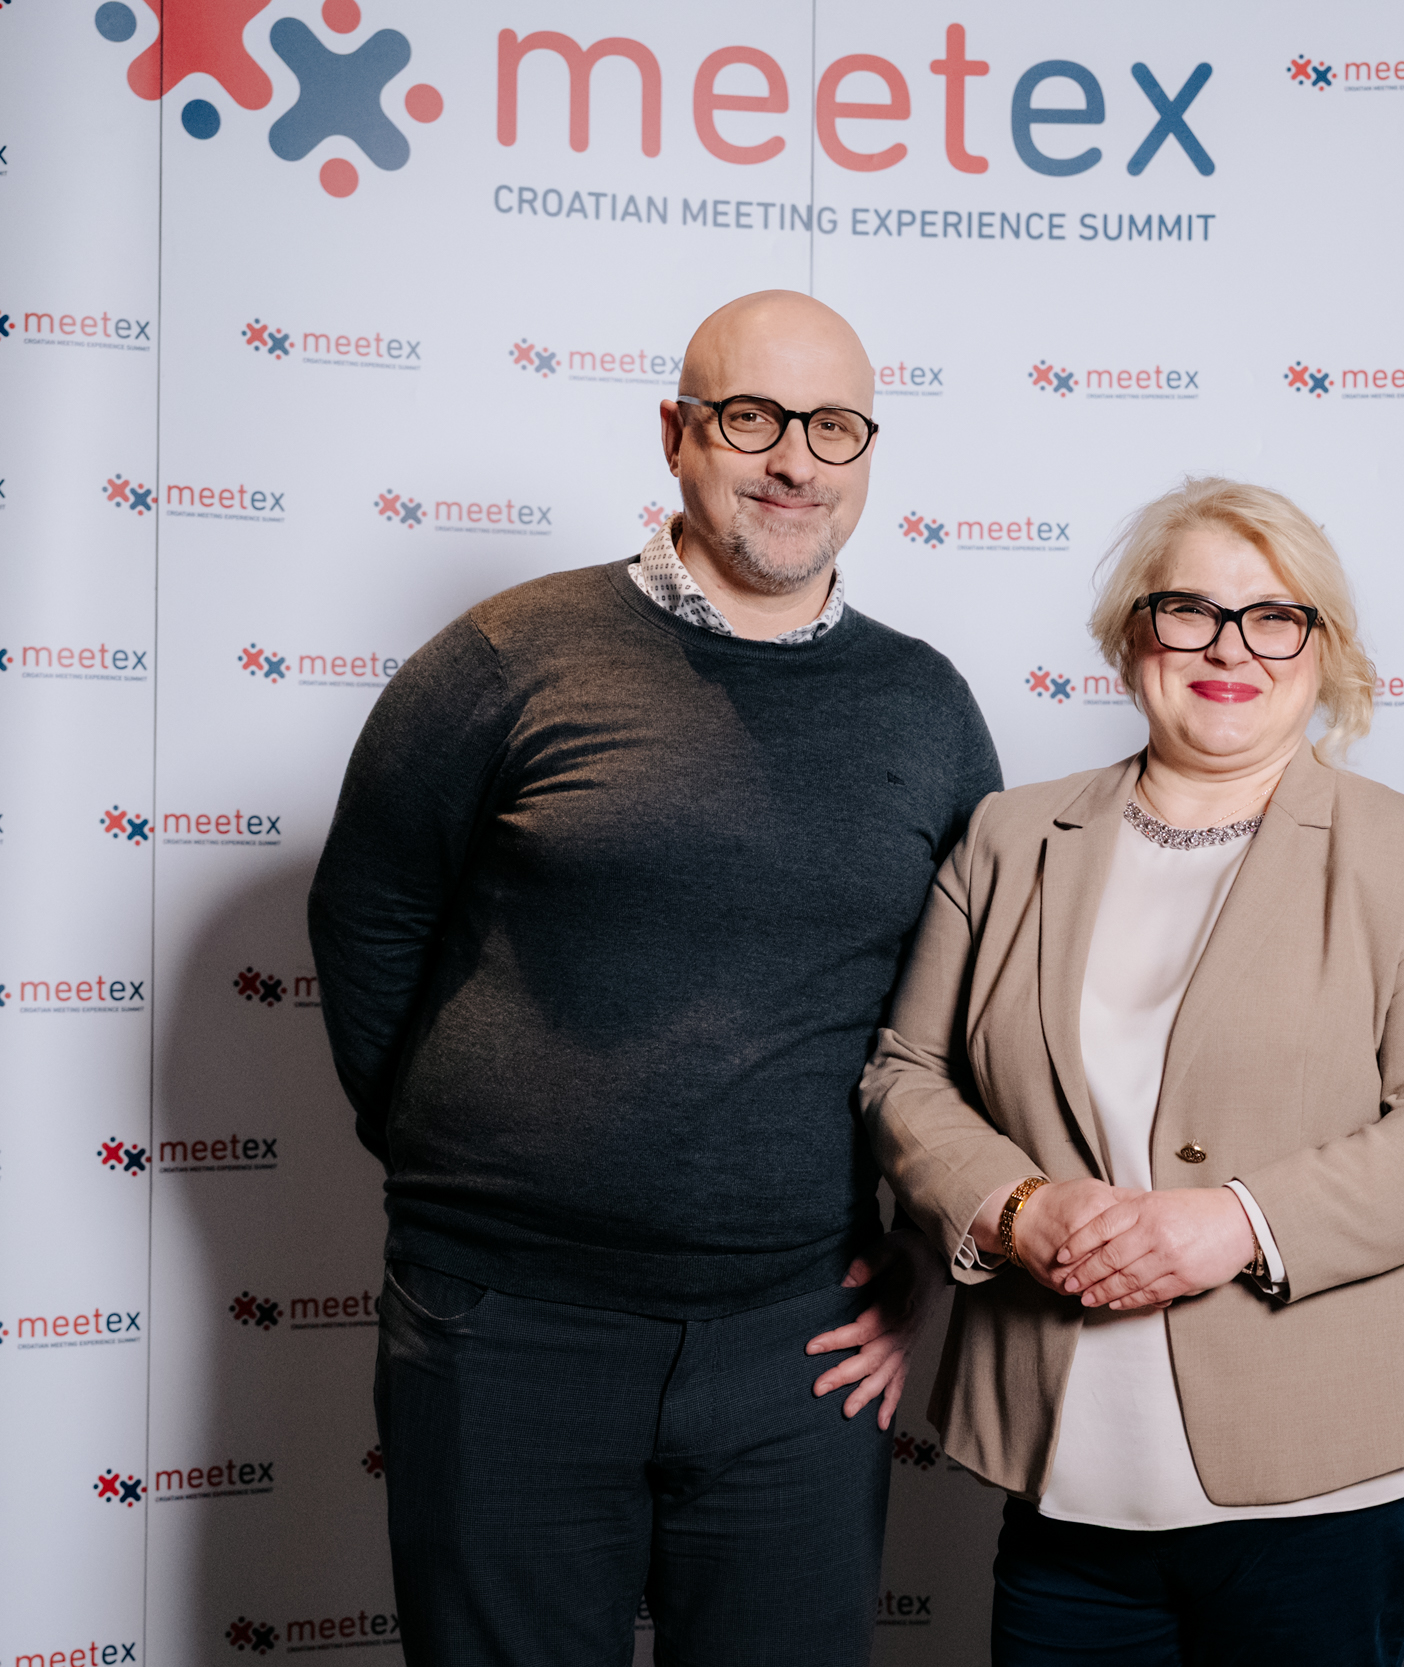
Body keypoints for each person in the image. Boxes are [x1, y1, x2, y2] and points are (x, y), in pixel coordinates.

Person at [307, 290, 1002, 1666]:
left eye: (833, 426)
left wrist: (926, 1257)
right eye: (751, 418)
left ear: (868, 453)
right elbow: (369, 913)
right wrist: (457, 1150)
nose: (794, 459)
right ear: (677, 434)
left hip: (800, 1339)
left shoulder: (927, 706)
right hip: (506, 1324)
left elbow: (970, 1009)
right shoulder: (508, 654)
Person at [860, 477, 1404, 1667]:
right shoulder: (1009, 837)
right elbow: (905, 1074)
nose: (1229, 648)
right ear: (1132, 637)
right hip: (1068, 1473)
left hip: (1330, 1478)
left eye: (1274, 616)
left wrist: (1241, 1222)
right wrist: (1016, 1206)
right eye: (1189, 611)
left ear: (1323, 651)